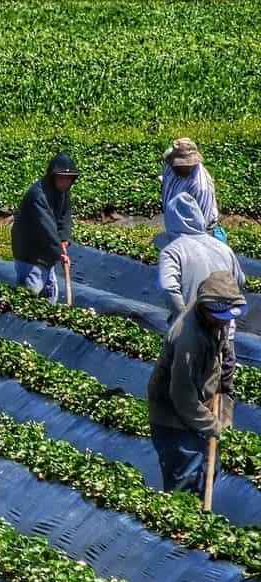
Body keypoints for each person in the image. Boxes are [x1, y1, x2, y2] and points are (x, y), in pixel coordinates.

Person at [148, 271, 246, 495]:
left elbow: (224, 365)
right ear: (207, 309)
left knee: (208, 472)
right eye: (222, 316)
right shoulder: (189, 338)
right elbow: (182, 395)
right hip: (174, 418)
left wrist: (224, 409)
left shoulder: (214, 322)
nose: (228, 320)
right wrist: (212, 425)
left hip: (198, 412)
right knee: (186, 482)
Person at [158, 192, 245, 324]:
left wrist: (183, 318)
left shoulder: (173, 251)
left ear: (170, 220)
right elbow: (240, 281)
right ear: (199, 217)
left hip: (193, 327)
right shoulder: (223, 248)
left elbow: (168, 288)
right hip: (224, 323)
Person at [11, 153, 79, 303]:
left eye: (68, 179)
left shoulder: (62, 193)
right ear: (52, 177)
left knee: (50, 291)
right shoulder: (38, 195)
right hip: (30, 253)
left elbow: (64, 218)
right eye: (61, 178)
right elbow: (46, 226)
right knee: (30, 294)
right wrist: (60, 252)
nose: (64, 183)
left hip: (47, 253)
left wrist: (64, 239)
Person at [155, 137, 221, 249]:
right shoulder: (170, 162)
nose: (177, 169)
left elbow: (201, 225)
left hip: (194, 233)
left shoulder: (201, 187)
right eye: (176, 165)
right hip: (175, 225)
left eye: (182, 166)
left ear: (193, 164)